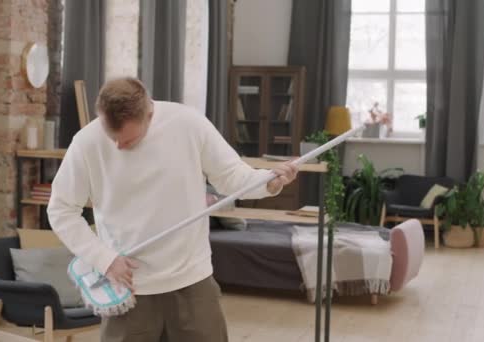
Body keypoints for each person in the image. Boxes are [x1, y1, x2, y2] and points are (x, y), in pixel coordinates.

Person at [47, 77, 298, 342]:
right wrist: (104, 259)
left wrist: (268, 183)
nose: (119, 147)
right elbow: (61, 210)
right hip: (129, 285)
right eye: (112, 138)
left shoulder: (189, 124)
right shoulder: (86, 142)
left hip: (192, 281)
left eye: (128, 140)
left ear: (150, 114)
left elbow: (232, 177)